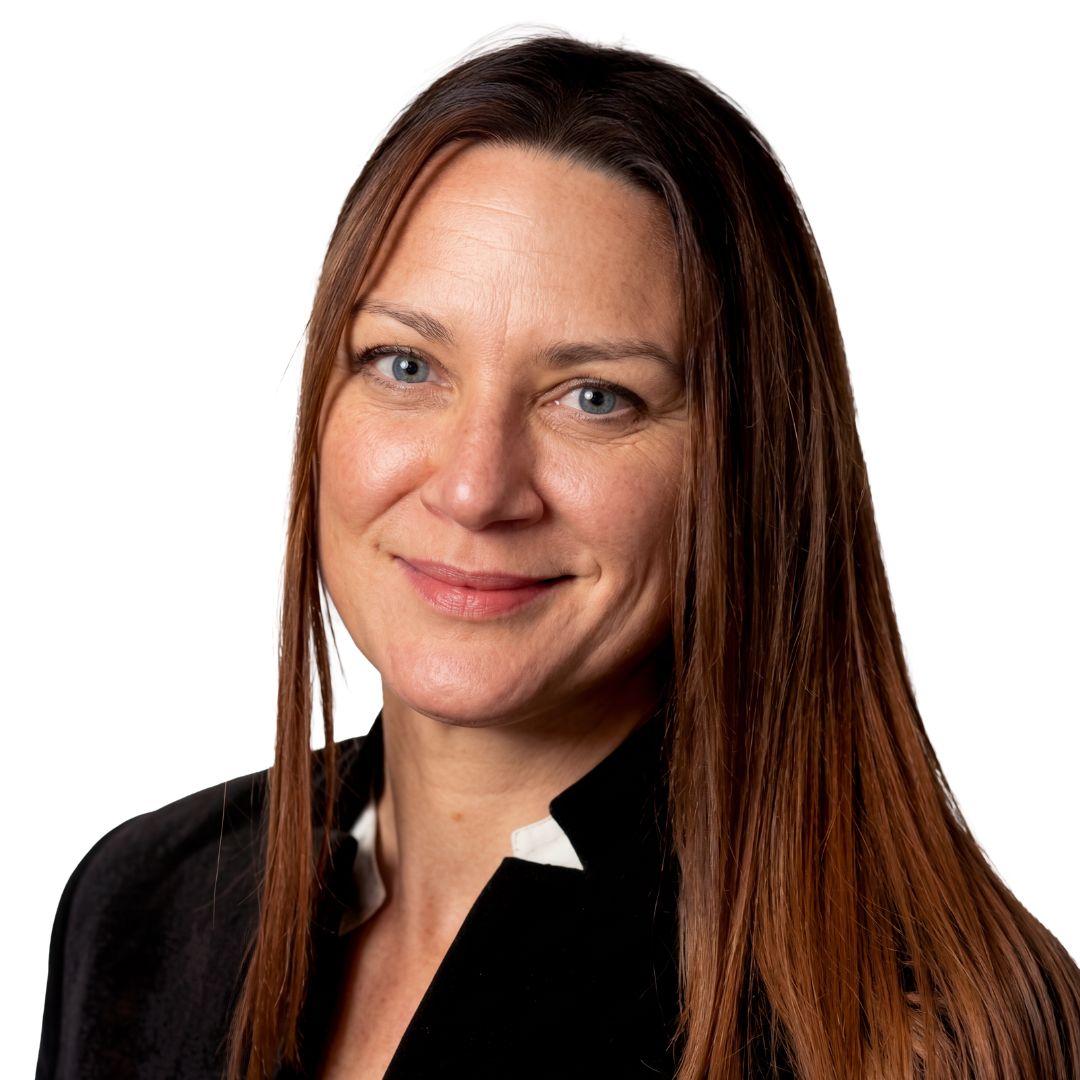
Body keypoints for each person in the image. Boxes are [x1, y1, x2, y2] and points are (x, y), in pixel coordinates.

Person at [35, 31, 1080, 1080]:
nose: (474, 488)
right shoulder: (145, 904)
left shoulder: (910, 1033)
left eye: (595, 397)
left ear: (745, 470)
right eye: (406, 364)